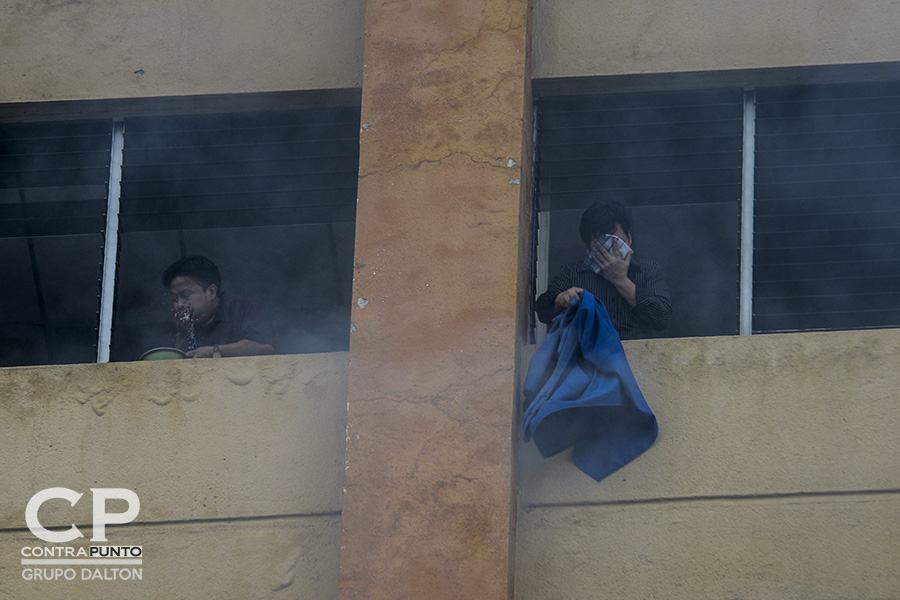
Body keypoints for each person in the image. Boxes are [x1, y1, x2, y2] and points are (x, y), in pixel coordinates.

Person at [534, 201, 671, 340]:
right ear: (587, 248)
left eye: (618, 243)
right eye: (604, 248)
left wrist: (621, 280)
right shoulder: (572, 272)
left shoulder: (648, 269)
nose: (612, 254)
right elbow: (542, 312)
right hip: (588, 357)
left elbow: (661, 318)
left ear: (629, 239)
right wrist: (560, 300)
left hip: (639, 356)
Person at [163, 255, 276, 358]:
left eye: (185, 295)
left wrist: (213, 351)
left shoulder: (242, 307)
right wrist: (182, 337)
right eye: (175, 299)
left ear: (211, 292)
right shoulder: (179, 325)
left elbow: (265, 347)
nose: (179, 305)